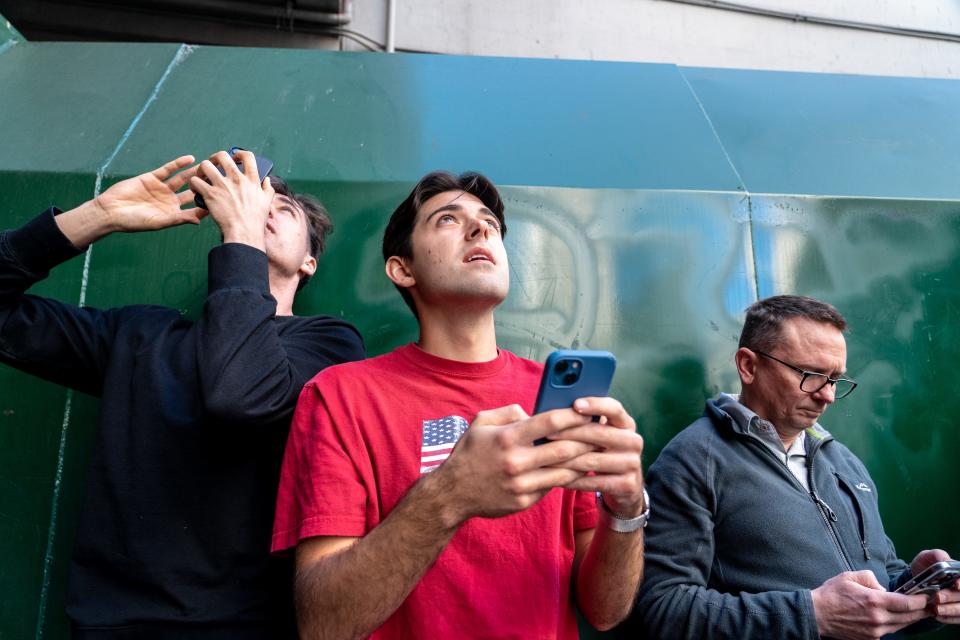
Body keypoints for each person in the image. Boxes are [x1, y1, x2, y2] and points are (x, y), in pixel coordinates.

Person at [0, 152, 365, 639]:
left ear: (309, 262)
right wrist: (98, 217)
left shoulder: (330, 343)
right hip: (115, 627)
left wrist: (243, 235)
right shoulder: (138, 335)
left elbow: (241, 395)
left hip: (250, 627)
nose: (262, 207)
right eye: (256, 200)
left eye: (283, 207)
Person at [272, 171, 647, 639]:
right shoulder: (340, 395)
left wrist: (627, 508)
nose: (481, 229)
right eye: (448, 219)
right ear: (402, 269)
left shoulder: (561, 403)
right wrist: (451, 494)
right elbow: (323, 623)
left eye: (488, 221)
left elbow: (604, 611)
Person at [634, 295, 960, 639]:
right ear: (748, 366)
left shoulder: (844, 462)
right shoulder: (693, 460)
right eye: (812, 374)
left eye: (835, 378)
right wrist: (812, 614)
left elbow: (878, 580)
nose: (828, 395)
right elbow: (664, 607)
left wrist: (918, 590)